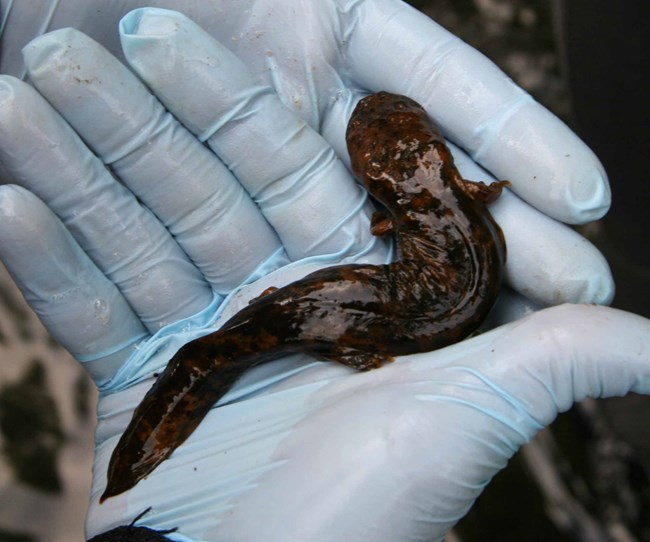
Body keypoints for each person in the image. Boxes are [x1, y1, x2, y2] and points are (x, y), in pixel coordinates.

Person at [0, 2, 648, 541]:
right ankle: (152, 445)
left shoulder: (417, 208)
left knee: (267, 329)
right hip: (379, 313)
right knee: (264, 330)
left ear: (386, 204)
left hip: (375, 316)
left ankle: (157, 440)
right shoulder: (457, 192)